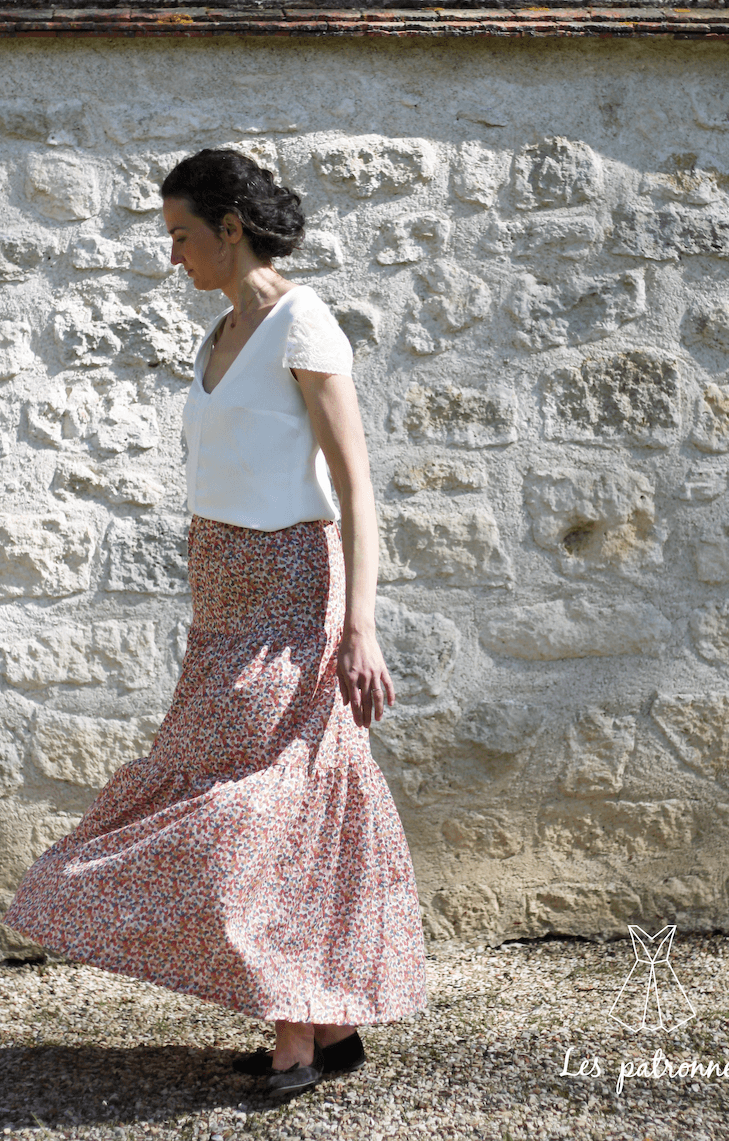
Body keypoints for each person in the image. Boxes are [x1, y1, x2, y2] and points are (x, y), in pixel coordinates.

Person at [3, 148, 427, 1098]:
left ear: (231, 229)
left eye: (182, 236)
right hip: (221, 599)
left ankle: (297, 1040)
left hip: (287, 593)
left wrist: (359, 628)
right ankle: (329, 1019)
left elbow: (357, 490)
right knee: (271, 793)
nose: (174, 256)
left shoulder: (303, 322)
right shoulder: (223, 330)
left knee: (261, 806)